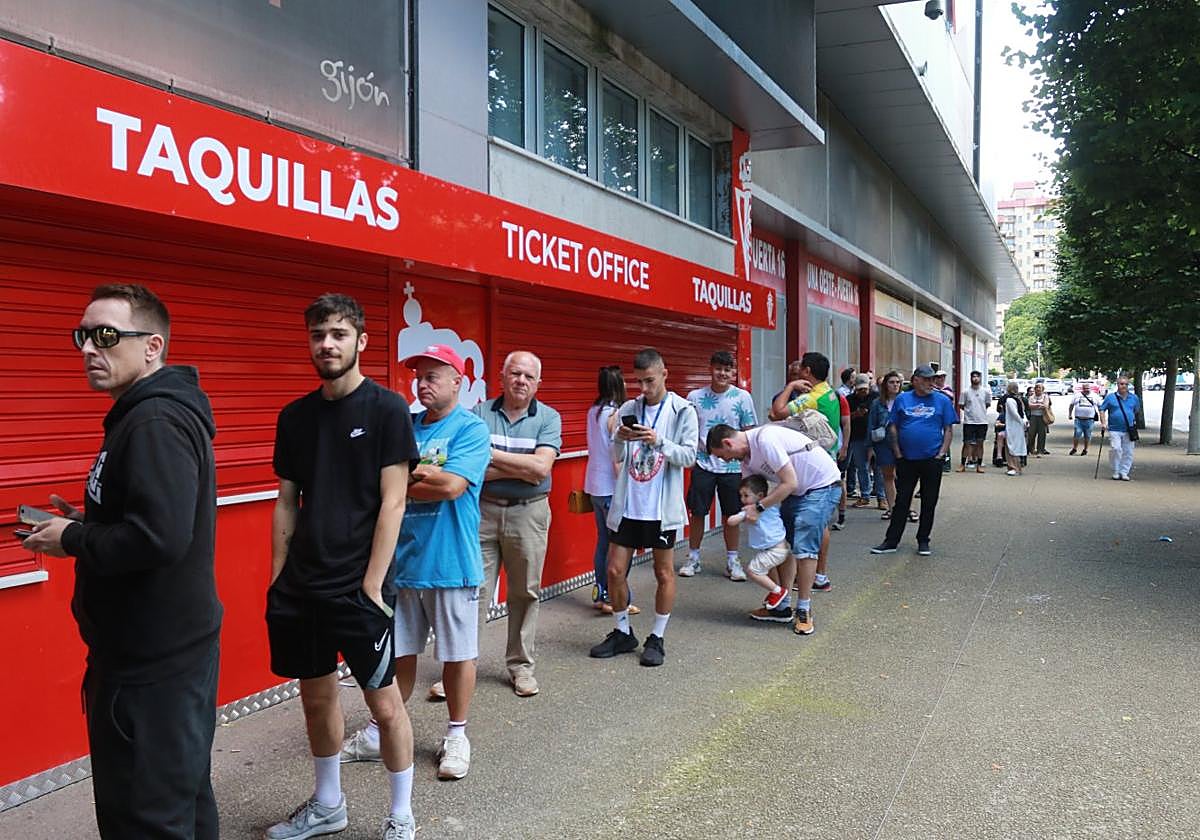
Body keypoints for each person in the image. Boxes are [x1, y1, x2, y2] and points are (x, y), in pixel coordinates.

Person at [23, 284, 222, 840]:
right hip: (159, 658)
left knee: (148, 819)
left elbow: (160, 538)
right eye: (83, 335)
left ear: (152, 347)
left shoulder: (154, 421)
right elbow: (147, 517)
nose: (90, 348)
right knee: (180, 802)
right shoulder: (144, 415)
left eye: (106, 336)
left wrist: (75, 540)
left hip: (150, 669)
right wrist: (85, 520)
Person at [267, 294, 420, 839]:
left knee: (384, 707)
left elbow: (394, 501)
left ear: (361, 341)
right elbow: (287, 501)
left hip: (359, 590)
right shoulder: (295, 417)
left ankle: (401, 815)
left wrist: (372, 585)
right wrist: (277, 578)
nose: (326, 344)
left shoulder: (386, 409)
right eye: (317, 335)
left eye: (336, 333)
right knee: (316, 699)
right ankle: (329, 805)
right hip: (302, 588)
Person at [340, 344, 492, 785]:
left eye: (433, 376)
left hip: (450, 562)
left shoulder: (470, 429)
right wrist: (411, 480)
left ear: (458, 381)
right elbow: (374, 482)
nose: (423, 384)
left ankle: (457, 736)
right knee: (398, 653)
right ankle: (379, 730)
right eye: (419, 376)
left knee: (458, 654)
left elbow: (450, 486)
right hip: (400, 563)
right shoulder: (404, 425)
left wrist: (400, 484)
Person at [588, 348, 697, 667]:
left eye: (650, 381)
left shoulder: (682, 410)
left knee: (663, 572)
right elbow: (617, 455)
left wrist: (658, 440)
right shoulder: (628, 407)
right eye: (639, 382)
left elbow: (690, 456)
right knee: (614, 570)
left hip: (661, 508)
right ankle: (622, 632)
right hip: (629, 502)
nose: (644, 389)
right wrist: (620, 437)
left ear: (665, 374)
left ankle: (657, 637)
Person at [474, 351, 562, 697]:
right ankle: (460, 669)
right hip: (482, 512)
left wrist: (491, 455)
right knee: (473, 593)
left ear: (538, 382)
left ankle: (521, 667)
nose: (521, 381)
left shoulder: (548, 418)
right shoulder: (480, 413)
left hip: (530, 512)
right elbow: (472, 468)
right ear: (502, 376)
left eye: (528, 376)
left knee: (525, 592)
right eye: (515, 374)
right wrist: (523, 465)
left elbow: (541, 470)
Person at [706, 423, 842, 635]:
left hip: (821, 485)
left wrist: (759, 508)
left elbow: (789, 482)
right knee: (778, 542)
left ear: (727, 443)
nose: (726, 461)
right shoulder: (747, 461)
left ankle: (804, 609)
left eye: (723, 455)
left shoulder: (765, 439)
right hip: (798, 491)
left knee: (804, 543)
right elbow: (756, 494)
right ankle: (782, 606)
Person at [769, 351, 845, 589]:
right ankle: (820, 575)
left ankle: (808, 579)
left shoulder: (812, 396)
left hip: (813, 465)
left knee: (810, 525)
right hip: (827, 458)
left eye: (800, 369)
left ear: (808, 372)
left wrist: (791, 386)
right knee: (820, 524)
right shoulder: (830, 392)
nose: (797, 372)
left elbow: (776, 412)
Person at [681, 349, 758, 580]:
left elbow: (749, 432)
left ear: (733, 372)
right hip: (703, 463)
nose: (722, 373)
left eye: (727, 369)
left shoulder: (742, 397)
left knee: (732, 514)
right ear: (710, 369)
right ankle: (693, 558)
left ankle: (733, 561)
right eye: (718, 369)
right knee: (698, 512)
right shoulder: (694, 397)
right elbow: (687, 428)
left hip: (732, 467)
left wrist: (749, 465)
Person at [869, 364, 958, 557]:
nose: (930, 383)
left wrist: (941, 454)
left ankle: (923, 540)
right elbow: (893, 426)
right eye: (926, 379)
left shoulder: (942, 400)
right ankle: (891, 540)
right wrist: (898, 453)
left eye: (932, 379)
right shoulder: (903, 399)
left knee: (929, 501)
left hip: (932, 459)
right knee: (902, 501)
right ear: (915, 380)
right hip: (907, 459)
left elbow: (949, 429)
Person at [585, 365, 631, 612]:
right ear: (618, 385)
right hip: (613, 489)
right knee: (620, 546)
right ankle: (618, 598)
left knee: (603, 542)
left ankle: (600, 594)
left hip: (594, 486)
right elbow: (618, 456)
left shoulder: (593, 412)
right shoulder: (616, 415)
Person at [725, 475, 792, 615]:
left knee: (753, 570)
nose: (742, 499)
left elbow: (731, 521)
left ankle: (778, 591)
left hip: (775, 550)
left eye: (746, 495)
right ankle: (776, 593)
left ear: (760, 496)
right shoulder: (772, 506)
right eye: (741, 495)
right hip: (779, 547)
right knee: (761, 570)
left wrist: (742, 515)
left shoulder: (753, 509)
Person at [868, 371, 908, 522]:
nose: (895, 385)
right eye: (892, 382)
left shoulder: (905, 400)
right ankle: (892, 509)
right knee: (888, 475)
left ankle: (905, 508)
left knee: (905, 477)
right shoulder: (877, 403)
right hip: (883, 444)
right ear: (885, 385)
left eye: (898, 382)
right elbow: (871, 425)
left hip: (903, 443)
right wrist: (870, 447)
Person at [1099, 376, 1140, 481]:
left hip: (1129, 429)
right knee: (1116, 449)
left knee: (1128, 451)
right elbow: (1102, 409)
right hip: (1114, 429)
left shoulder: (1134, 398)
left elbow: (1136, 410)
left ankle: (1124, 472)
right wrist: (1103, 423)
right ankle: (1116, 471)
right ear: (1117, 385)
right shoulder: (1110, 397)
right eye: (1121, 384)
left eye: (1126, 384)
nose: (1124, 386)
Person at [846, 374, 875, 508]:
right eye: (860, 389)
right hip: (857, 436)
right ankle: (865, 495)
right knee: (861, 467)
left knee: (878, 467)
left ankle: (881, 496)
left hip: (875, 437)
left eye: (865, 389)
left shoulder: (876, 397)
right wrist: (856, 414)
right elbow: (844, 419)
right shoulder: (849, 400)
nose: (863, 392)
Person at [957, 371, 991, 473]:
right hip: (969, 422)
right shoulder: (965, 392)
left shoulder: (985, 392)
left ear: (980, 378)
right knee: (966, 443)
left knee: (980, 443)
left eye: (977, 377)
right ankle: (962, 464)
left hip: (982, 422)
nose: (975, 378)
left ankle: (979, 465)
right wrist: (970, 412)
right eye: (973, 377)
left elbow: (987, 404)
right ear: (970, 378)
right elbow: (961, 405)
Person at [997, 381, 1028, 476]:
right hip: (1017, 426)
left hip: (1013, 426)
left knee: (1012, 446)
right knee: (1015, 446)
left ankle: (1013, 467)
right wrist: (1024, 421)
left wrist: (1021, 422)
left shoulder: (1009, 400)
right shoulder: (1018, 399)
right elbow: (1022, 412)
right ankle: (1017, 468)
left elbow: (1015, 414)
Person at [1068, 382, 1100, 456]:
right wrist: (1070, 414)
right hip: (1078, 419)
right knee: (1077, 434)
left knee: (1088, 435)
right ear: (1082, 389)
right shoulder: (1077, 395)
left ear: (1090, 388)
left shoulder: (1095, 396)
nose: (1086, 390)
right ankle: (1074, 448)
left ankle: (1085, 449)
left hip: (1090, 419)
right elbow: (1071, 405)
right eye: (1085, 388)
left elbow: (1100, 406)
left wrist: (1101, 416)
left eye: (1088, 388)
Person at [1026, 381, 1051, 457]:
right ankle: (1031, 449)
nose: (1038, 389)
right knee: (1031, 434)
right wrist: (1040, 404)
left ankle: (1040, 451)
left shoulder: (1045, 396)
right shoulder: (1031, 397)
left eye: (1039, 387)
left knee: (1042, 434)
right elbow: (1029, 406)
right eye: (1036, 387)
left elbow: (1045, 405)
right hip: (1033, 417)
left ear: (1042, 389)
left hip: (1042, 417)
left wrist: (1035, 405)